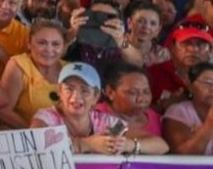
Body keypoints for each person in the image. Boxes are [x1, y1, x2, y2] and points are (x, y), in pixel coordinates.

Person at [30, 63, 167, 155]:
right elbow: (34, 148)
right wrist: (87, 144)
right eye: (69, 89)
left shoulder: (107, 123)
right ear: (60, 91)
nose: (75, 97)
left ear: (96, 96)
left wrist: (128, 145)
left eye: (84, 91)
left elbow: (161, 145)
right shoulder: (45, 117)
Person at [0, 18, 66, 128]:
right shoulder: (18, 65)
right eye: (42, 43)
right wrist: (36, 133)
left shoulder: (70, 70)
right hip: (21, 133)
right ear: (29, 44)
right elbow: (3, 111)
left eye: (56, 44)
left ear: (63, 48)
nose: (49, 49)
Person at [147, 22, 213, 111]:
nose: (193, 49)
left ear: (210, 50)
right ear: (173, 48)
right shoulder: (153, 74)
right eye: (186, 43)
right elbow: (135, 113)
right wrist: (163, 107)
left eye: (200, 44)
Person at [98, 63, 162, 137]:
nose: (141, 99)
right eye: (132, 93)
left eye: (146, 92)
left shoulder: (155, 118)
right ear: (110, 92)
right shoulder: (96, 117)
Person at [163, 62, 213, 155]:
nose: (212, 89)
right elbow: (183, 154)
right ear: (190, 86)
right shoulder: (178, 112)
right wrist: (209, 125)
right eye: (208, 83)